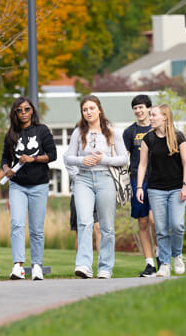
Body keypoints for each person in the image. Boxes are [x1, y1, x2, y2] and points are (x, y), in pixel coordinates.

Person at [64, 95, 128, 279]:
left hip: (105, 178)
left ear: (99, 109)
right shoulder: (78, 132)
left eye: (92, 108)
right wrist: (81, 161)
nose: (89, 112)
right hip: (83, 180)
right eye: (85, 110)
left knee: (106, 226)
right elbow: (68, 157)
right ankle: (83, 265)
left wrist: (104, 159)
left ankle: (105, 267)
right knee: (84, 222)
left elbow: (124, 158)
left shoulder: (111, 132)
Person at [1, 96, 57, 280]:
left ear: (32, 111)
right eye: (20, 110)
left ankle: (37, 266)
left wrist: (32, 159)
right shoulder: (11, 134)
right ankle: (18, 266)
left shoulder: (42, 131)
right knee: (17, 223)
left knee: (36, 228)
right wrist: (7, 169)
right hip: (17, 185)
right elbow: (4, 159)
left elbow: (52, 155)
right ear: (15, 113)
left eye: (27, 109)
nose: (24, 113)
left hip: (39, 185)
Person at [137, 104, 186, 278]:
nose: (150, 118)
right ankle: (165, 264)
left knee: (177, 225)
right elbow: (142, 164)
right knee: (160, 228)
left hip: (176, 188)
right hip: (155, 189)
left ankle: (177, 255)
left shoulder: (179, 137)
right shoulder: (148, 138)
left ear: (165, 117)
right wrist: (139, 187)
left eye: (153, 115)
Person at [122, 94, 157, 277]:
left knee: (155, 220)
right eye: (135, 108)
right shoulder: (129, 132)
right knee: (143, 222)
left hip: (158, 178)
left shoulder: (157, 127)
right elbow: (124, 156)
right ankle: (149, 263)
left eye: (141, 107)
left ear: (149, 108)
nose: (138, 111)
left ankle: (162, 255)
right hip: (138, 179)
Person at [66, 159, 101, 254]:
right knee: (81, 231)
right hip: (79, 195)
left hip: (97, 195)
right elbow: (76, 176)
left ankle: (102, 264)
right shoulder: (70, 155)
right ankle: (81, 264)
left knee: (98, 228)